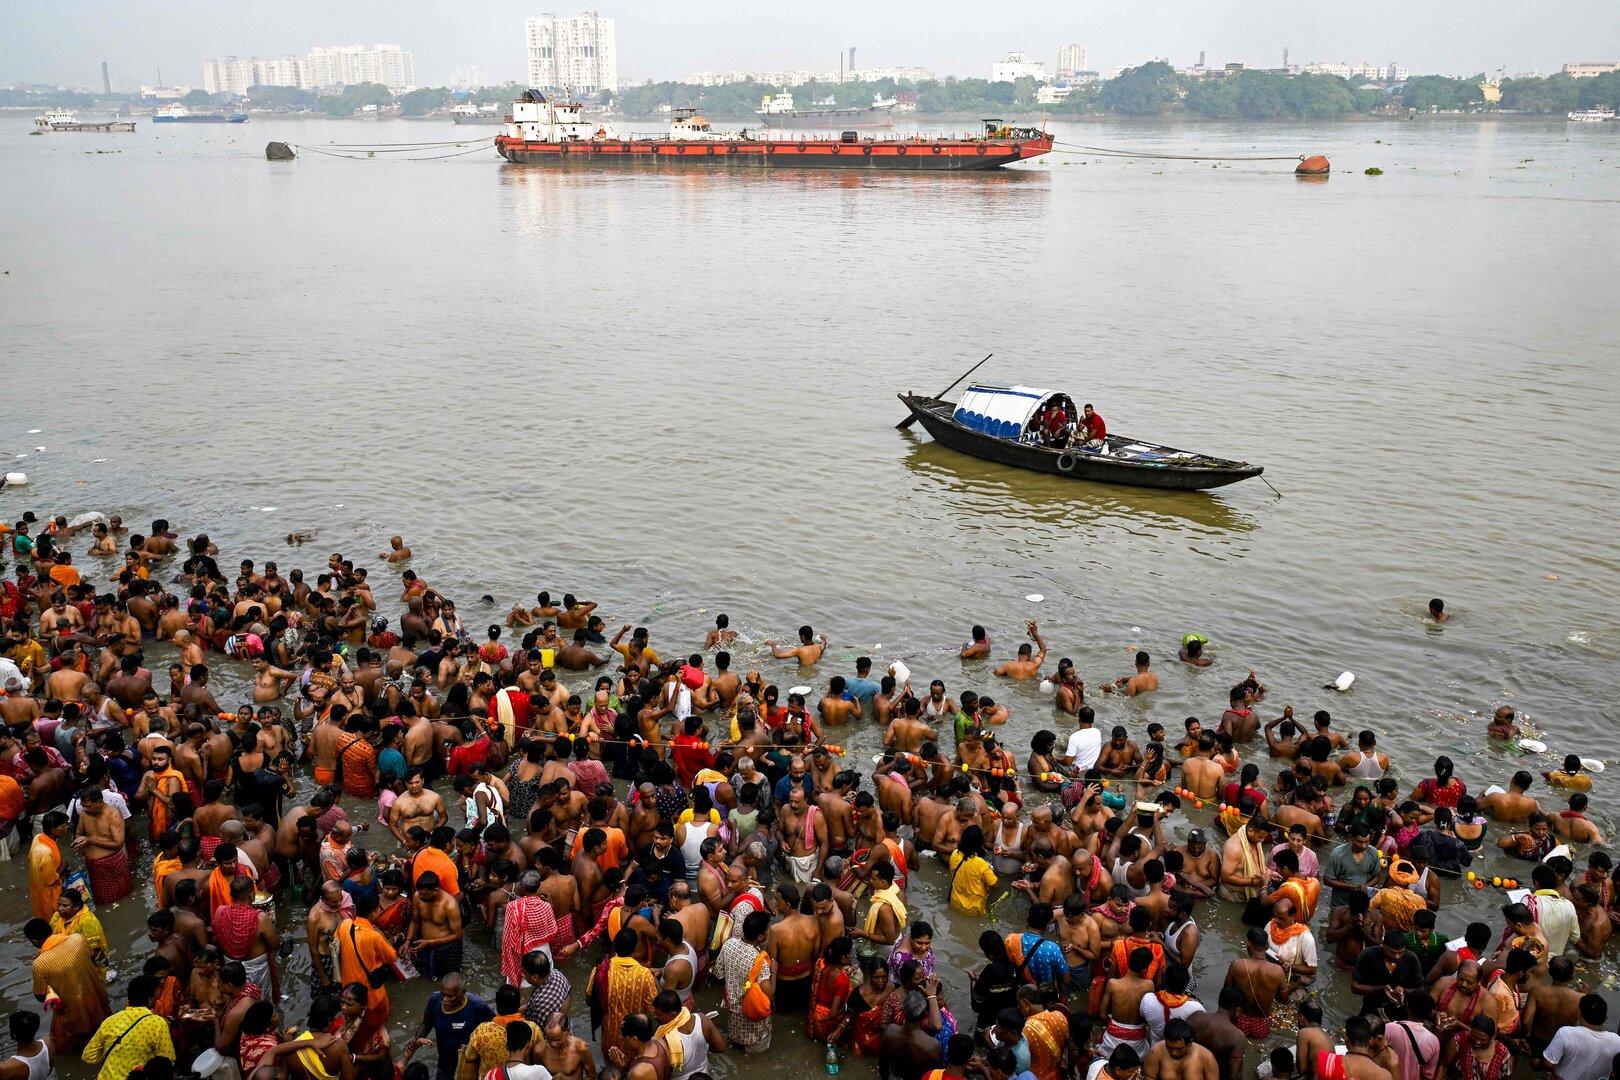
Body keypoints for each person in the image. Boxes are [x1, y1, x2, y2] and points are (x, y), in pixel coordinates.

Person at [24, 917, 110, 1054]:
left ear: (34, 941)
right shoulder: (77, 938)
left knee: (61, 1045)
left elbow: (40, 996)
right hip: (98, 999)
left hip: (73, 1013)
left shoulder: (39, 963)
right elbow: (93, 959)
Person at [82, 976, 174, 1080]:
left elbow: (88, 1056)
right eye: (156, 994)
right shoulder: (158, 1023)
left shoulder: (110, 1021)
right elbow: (167, 1060)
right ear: (150, 999)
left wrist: (117, 1053)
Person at [1540, 994, 1620, 1080]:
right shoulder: (1617, 1040)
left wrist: (1536, 1063)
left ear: (1579, 1014)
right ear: (1605, 1019)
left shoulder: (1566, 1033)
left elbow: (1549, 1063)